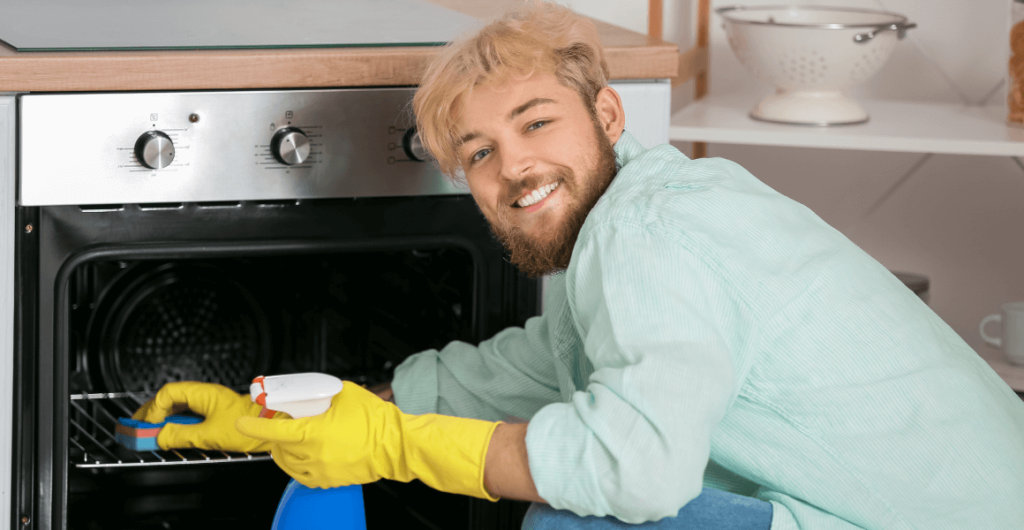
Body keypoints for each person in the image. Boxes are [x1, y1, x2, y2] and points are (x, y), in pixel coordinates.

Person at [132, 2, 1024, 529]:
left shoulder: (650, 232)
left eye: (535, 122)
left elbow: (634, 469)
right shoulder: (645, 211)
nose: (513, 165)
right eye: (478, 152)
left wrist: (390, 447)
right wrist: (339, 405)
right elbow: (540, 364)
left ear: (606, 113)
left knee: (577, 516)